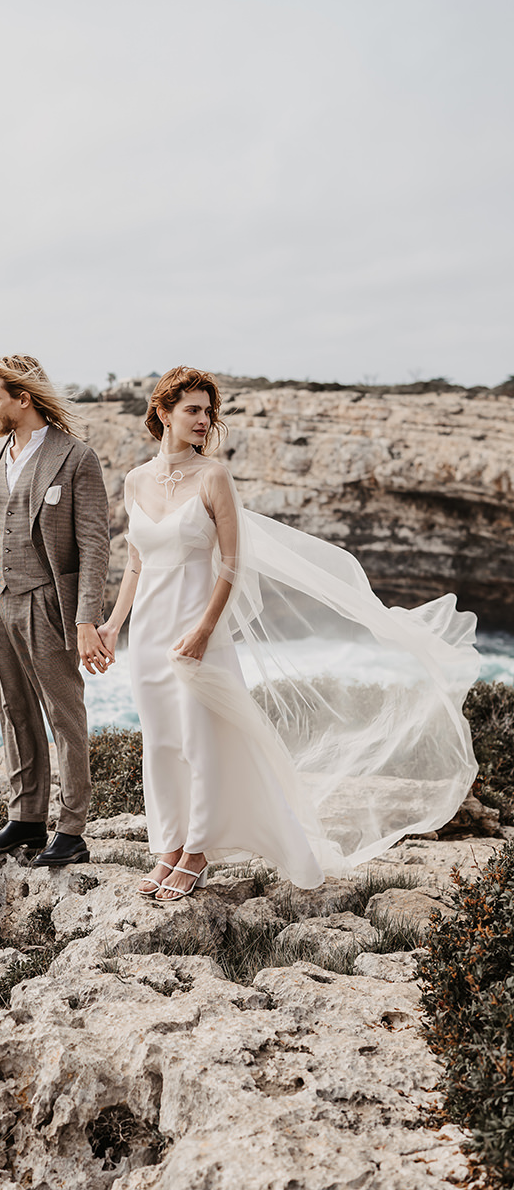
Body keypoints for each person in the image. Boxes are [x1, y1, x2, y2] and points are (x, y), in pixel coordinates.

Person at [98, 367, 479, 901]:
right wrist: (114, 625)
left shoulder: (214, 477)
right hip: (148, 633)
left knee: (201, 742)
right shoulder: (135, 480)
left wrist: (205, 630)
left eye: (208, 411)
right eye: (193, 410)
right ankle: (168, 845)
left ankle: (197, 852)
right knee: (160, 743)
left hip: (198, 630)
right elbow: (136, 564)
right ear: (163, 412)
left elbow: (232, 564)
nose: (204, 420)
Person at [0, 353, 111, 866]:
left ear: (22, 399)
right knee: (13, 709)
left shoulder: (76, 457)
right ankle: (27, 819)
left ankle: (71, 830)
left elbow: (95, 545)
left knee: (63, 714)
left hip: (46, 601)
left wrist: (86, 619)